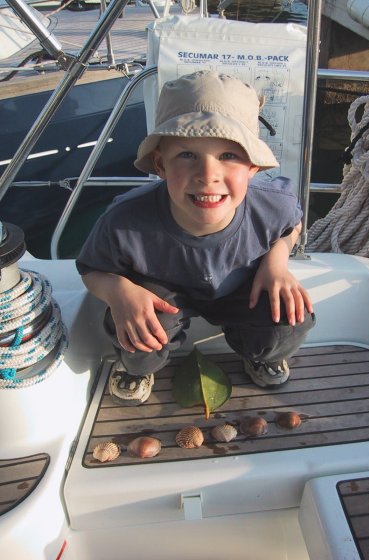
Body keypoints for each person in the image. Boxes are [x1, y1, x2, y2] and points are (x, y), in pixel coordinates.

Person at [76, 70, 315, 406]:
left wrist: (276, 262)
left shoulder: (275, 204)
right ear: (160, 164)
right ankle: (138, 366)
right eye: (187, 155)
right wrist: (118, 291)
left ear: (254, 168)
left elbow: (292, 226)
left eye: (229, 156)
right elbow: (90, 267)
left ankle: (259, 352)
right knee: (137, 339)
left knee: (290, 317)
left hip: (241, 290)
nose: (207, 175)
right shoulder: (124, 219)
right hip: (162, 297)